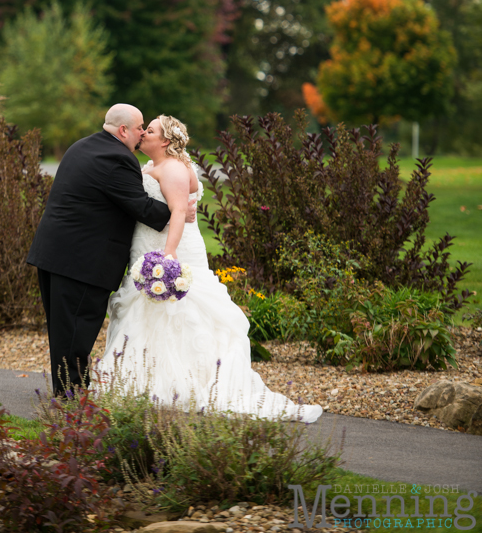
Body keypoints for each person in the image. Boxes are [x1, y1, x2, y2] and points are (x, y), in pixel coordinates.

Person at [97, 114, 323, 424]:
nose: (143, 134)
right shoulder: (149, 166)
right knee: (145, 315)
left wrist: (169, 256)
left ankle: (187, 384)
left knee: (182, 315)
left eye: (149, 130)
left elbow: (178, 213)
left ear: (164, 141)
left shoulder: (175, 168)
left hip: (170, 249)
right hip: (145, 247)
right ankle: (145, 382)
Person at [26, 103, 197, 394]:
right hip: (82, 261)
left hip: (54, 253)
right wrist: (177, 211)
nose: (142, 133)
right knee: (76, 331)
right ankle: (72, 397)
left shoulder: (82, 146)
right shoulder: (118, 158)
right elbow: (139, 206)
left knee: (63, 330)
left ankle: (67, 391)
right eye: (140, 127)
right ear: (123, 130)